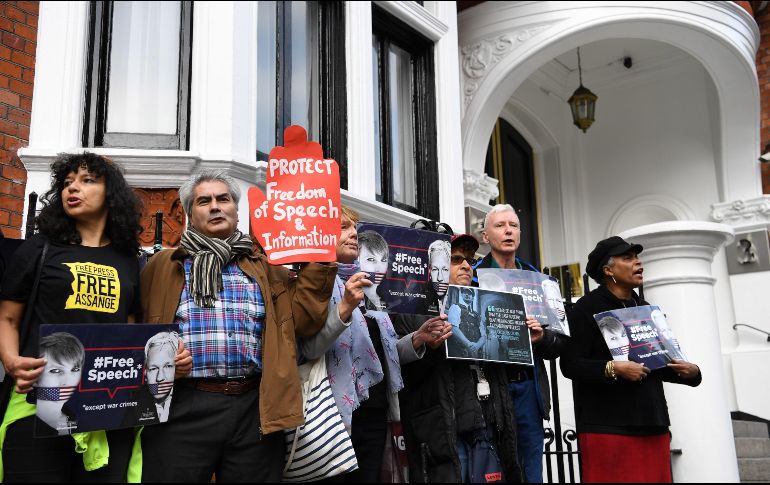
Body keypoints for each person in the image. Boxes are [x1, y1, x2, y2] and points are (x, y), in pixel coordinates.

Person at [139, 170, 336, 482]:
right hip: (182, 405)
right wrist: (161, 361)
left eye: (223, 199)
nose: (216, 206)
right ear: (191, 213)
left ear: (235, 208)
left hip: (254, 408)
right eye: (204, 201)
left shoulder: (266, 266)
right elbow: (136, 331)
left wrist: (321, 260)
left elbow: (304, 322)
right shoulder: (163, 265)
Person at [0, 152, 166, 482]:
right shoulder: (40, 248)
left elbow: (130, 328)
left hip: (105, 406)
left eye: (87, 180)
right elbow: (7, 318)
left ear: (111, 194)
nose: (73, 188)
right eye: (67, 182)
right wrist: (10, 359)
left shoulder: (130, 260)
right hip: (41, 400)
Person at [299, 206, 446, 482]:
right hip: (329, 416)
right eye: (343, 226)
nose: (353, 233)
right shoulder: (310, 282)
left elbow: (381, 356)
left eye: (355, 227)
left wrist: (418, 339)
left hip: (374, 412)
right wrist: (344, 308)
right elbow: (308, 350)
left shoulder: (373, 289)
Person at [560, 236, 702, 483]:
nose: (638, 263)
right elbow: (570, 364)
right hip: (607, 427)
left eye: (637, 257)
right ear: (608, 270)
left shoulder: (646, 308)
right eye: (628, 258)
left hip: (653, 423)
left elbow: (659, 363)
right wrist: (612, 368)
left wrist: (692, 372)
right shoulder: (585, 308)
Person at [396, 233, 534, 483]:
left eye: (469, 260)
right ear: (433, 267)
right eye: (456, 259)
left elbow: (509, 363)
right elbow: (397, 366)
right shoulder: (412, 304)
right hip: (444, 428)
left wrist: (522, 335)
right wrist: (421, 341)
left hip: (490, 422)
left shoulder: (488, 305)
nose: (466, 266)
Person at [473, 204, 568, 483]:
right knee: (494, 471)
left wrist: (542, 338)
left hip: (528, 385)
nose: (508, 231)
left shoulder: (540, 282)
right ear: (486, 236)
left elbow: (561, 343)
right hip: (489, 387)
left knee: (532, 472)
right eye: (500, 225)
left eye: (513, 225)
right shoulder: (473, 278)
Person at [34, 332, 84, 436]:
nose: (68, 381)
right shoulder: (25, 426)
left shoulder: (73, 417)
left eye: (75, 369)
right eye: (56, 371)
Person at [131, 331, 179, 426]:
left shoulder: (183, 404)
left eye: (168, 366)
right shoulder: (132, 407)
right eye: (153, 368)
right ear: (145, 372)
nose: (160, 377)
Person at [445, 287, 485, 359]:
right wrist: (468, 344)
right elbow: (453, 328)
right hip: (457, 351)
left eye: (469, 293)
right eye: (465, 293)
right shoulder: (455, 307)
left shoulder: (477, 315)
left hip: (474, 353)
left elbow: (484, 336)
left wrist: (477, 346)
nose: (467, 295)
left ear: (473, 297)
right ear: (462, 295)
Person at [358, 230, 389, 311]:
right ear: (356, 260)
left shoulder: (388, 302)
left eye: (383, 260)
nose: (379, 268)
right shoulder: (346, 298)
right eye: (371, 259)